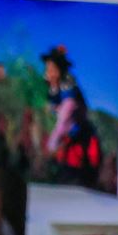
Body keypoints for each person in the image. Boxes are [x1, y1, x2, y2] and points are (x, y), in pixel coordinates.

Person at [40, 45, 101, 187]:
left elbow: (64, 120)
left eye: (52, 69)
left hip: (78, 145)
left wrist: (51, 145)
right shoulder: (56, 89)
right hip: (69, 143)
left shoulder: (69, 91)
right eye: (47, 69)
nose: (48, 73)